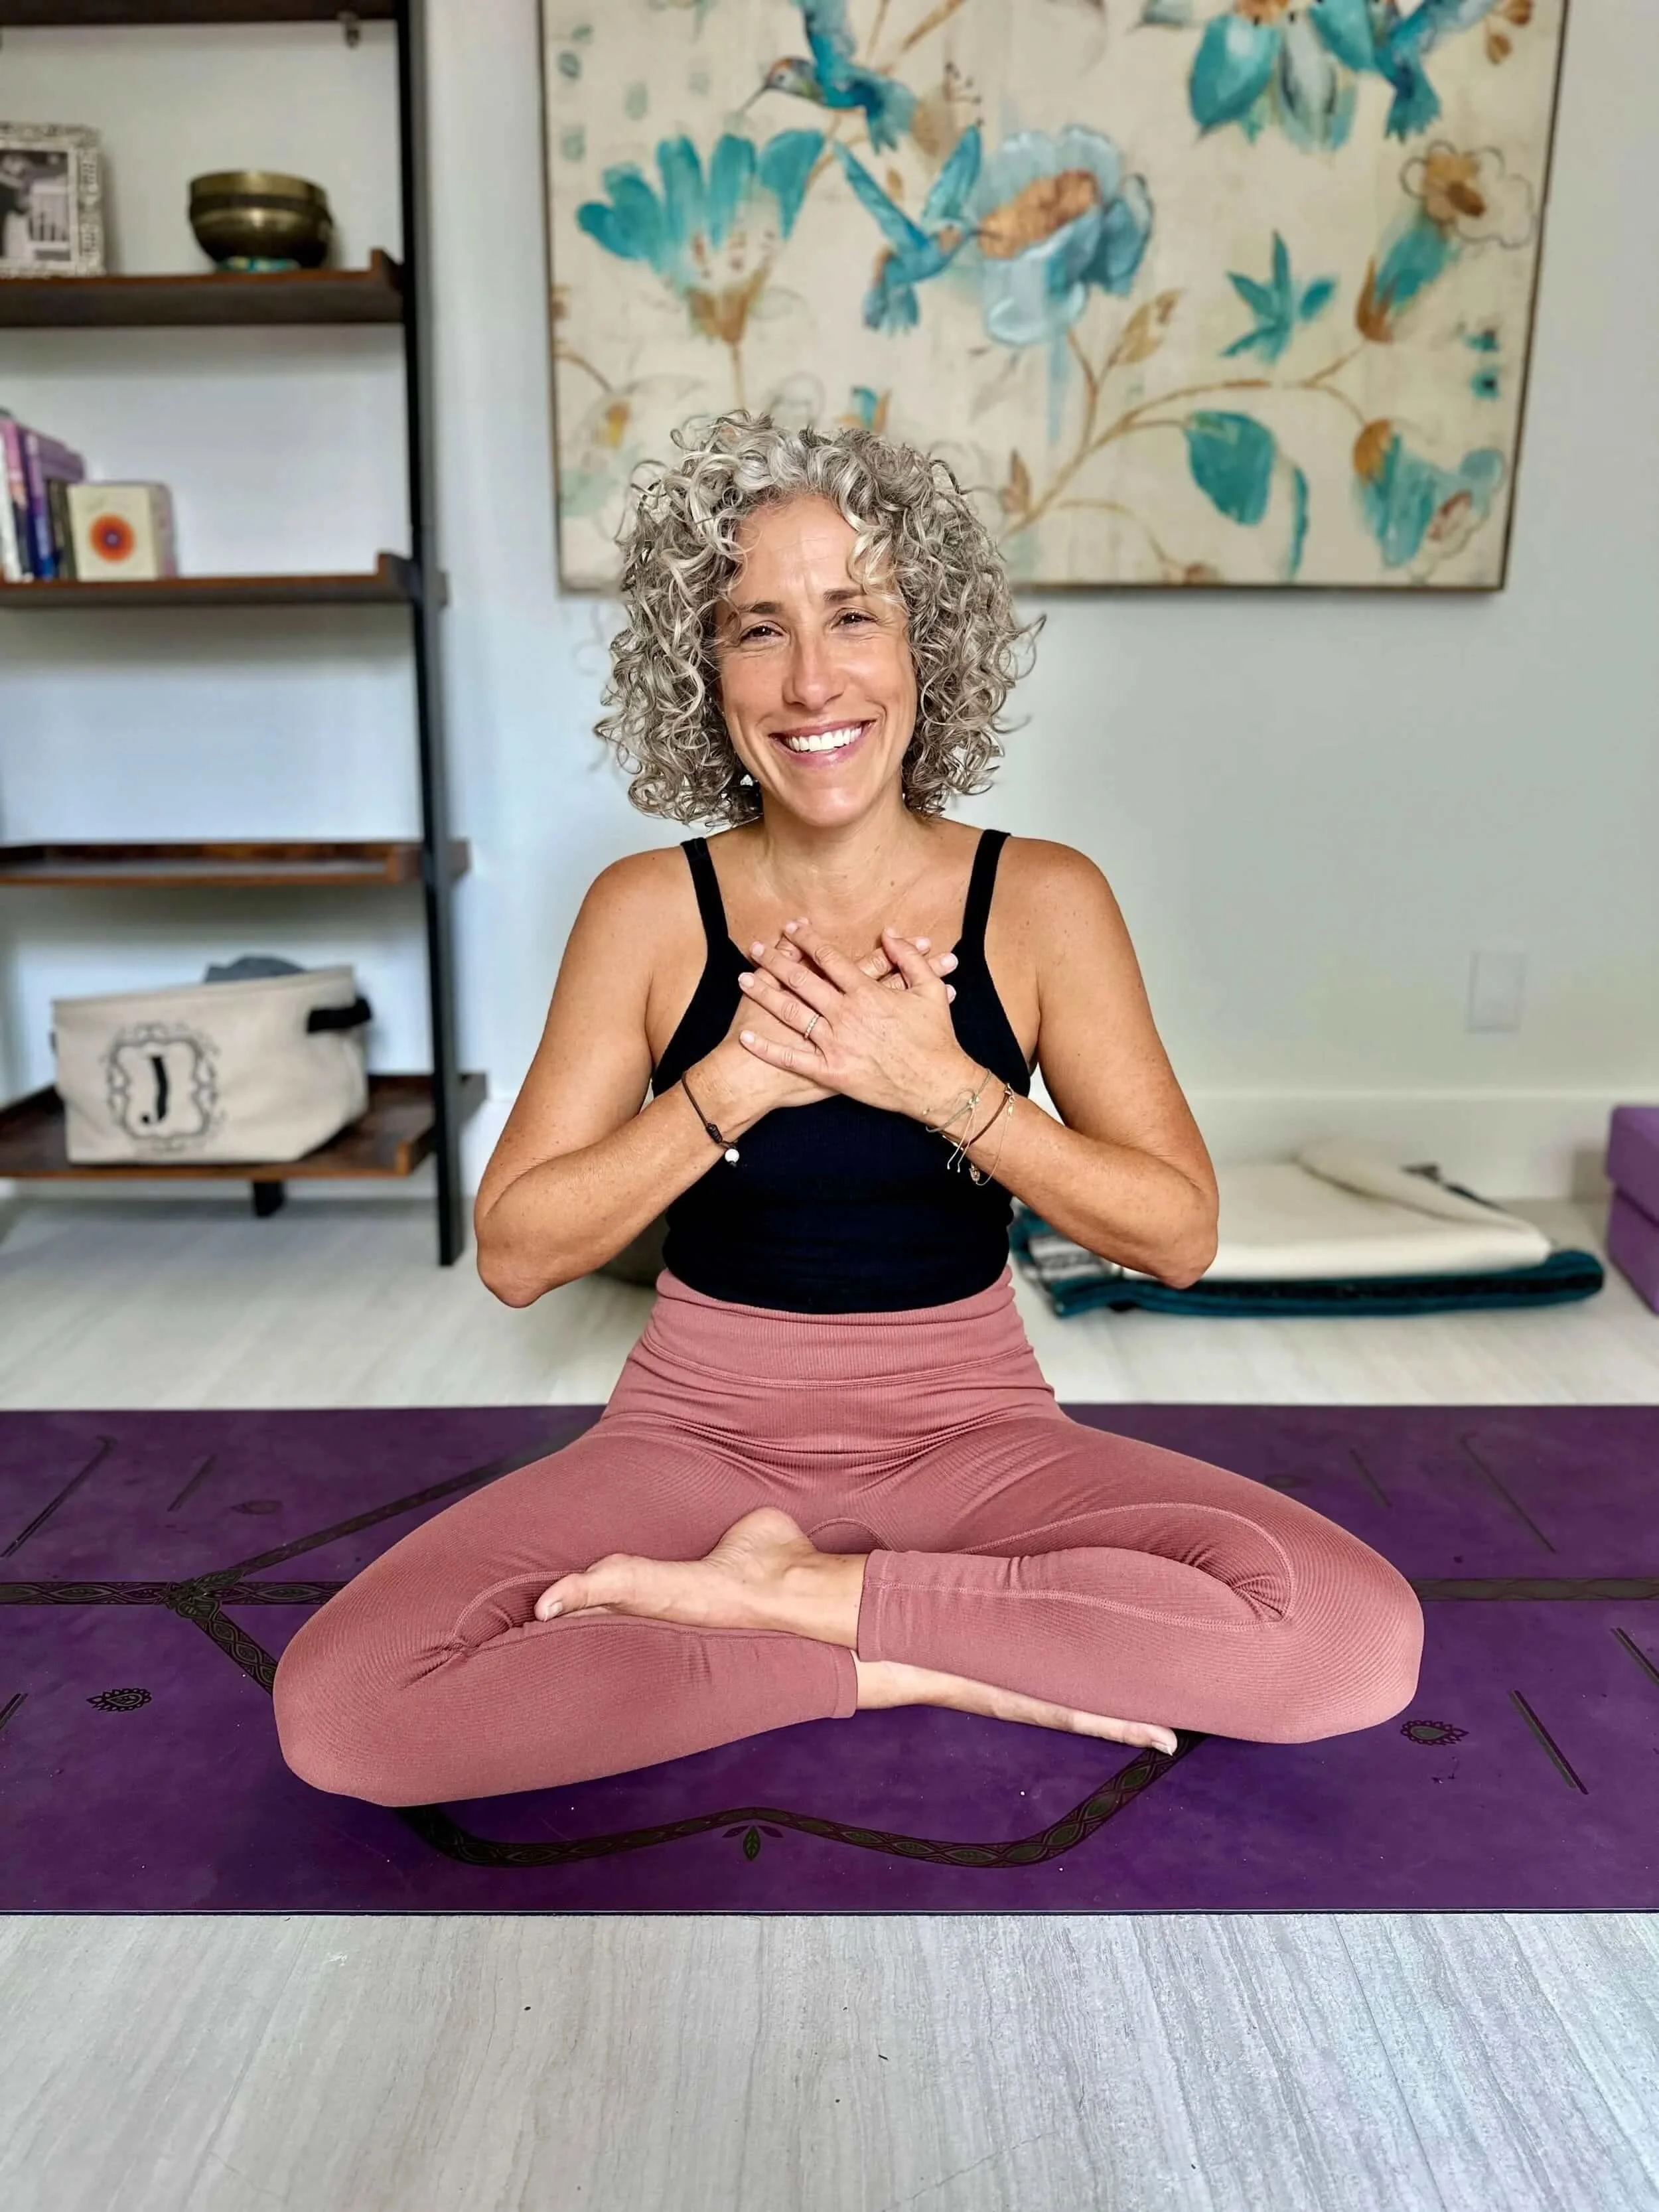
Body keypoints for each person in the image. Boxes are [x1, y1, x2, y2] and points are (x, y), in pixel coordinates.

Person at [273, 413, 1422, 1807]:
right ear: (704, 673)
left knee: (1353, 1642)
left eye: (853, 615)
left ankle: (795, 1599)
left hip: (977, 1436)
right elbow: (517, 1252)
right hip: (688, 1435)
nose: (811, 678)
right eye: (757, 628)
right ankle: (887, 1648)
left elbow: (1175, 1236)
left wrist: (932, 1080)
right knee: (346, 1714)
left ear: (923, 648)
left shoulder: (1044, 899)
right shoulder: (647, 912)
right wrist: (737, 1075)